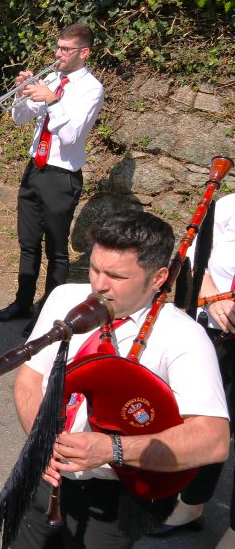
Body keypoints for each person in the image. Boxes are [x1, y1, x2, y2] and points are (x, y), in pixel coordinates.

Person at [12, 211, 229, 548]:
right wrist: (42, 441)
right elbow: (30, 376)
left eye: (116, 275)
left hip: (111, 500)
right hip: (44, 473)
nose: (99, 285)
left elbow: (213, 440)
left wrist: (112, 449)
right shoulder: (66, 298)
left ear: (158, 278)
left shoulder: (184, 337)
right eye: (96, 269)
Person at [0, 23, 105, 325]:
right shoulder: (52, 78)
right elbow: (19, 119)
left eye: (66, 49)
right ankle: (22, 302)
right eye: (58, 47)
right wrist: (22, 93)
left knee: (56, 249)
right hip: (34, 169)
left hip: (61, 175)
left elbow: (70, 137)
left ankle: (49, 314)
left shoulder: (91, 88)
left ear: (84, 52)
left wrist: (52, 100)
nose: (58, 54)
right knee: (28, 242)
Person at [150, 193, 235, 541]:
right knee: (206, 419)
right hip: (216, 329)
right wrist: (214, 298)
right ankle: (191, 503)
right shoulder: (226, 207)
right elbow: (193, 261)